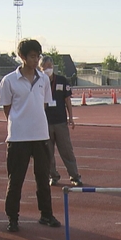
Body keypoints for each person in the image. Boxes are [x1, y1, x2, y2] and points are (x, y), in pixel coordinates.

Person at [0, 39, 61, 232]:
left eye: (38, 56)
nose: (36, 60)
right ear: (22, 57)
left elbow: (43, 105)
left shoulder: (43, 79)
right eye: (33, 56)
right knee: (15, 180)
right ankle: (13, 218)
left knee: (43, 178)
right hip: (18, 138)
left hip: (41, 135)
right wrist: (21, 122)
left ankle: (46, 214)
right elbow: (7, 109)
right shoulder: (9, 80)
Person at [39, 56, 82, 187]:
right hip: (45, 123)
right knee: (48, 153)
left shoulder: (62, 81)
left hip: (60, 122)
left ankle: (74, 176)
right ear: (40, 69)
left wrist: (71, 117)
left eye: (49, 66)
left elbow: (67, 100)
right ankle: (53, 176)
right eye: (44, 67)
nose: (47, 69)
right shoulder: (38, 82)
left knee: (67, 151)